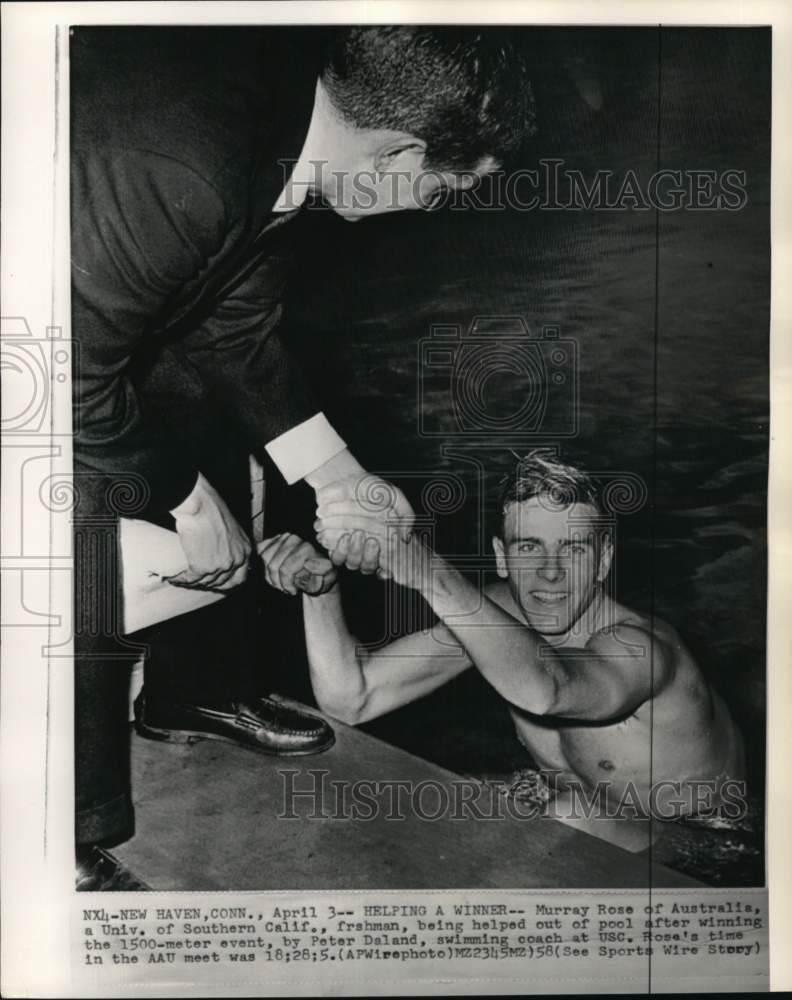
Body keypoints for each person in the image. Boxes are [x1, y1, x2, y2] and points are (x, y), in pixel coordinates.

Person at [71, 26, 536, 849]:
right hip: (37, 347)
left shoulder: (292, 136)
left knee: (199, 399)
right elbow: (55, 369)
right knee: (75, 518)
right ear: (401, 155)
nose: (427, 213)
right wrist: (184, 500)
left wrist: (339, 475)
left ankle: (194, 690)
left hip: (70, 311)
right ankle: (76, 826)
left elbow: (231, 327)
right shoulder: (185, 164)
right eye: (440, 192)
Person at [266, 451, 746, 852]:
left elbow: (550, 689)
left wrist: (424, 569)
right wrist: (320, 592)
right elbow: (353, 697)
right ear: (501, 556)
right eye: (529, 547)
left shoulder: (641, 650)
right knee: (430, 802)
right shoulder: (499, 614)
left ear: (603, 561)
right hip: (578, 806)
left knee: (567, 816)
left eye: (574, 549)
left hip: (707, 847)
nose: (550, 572)